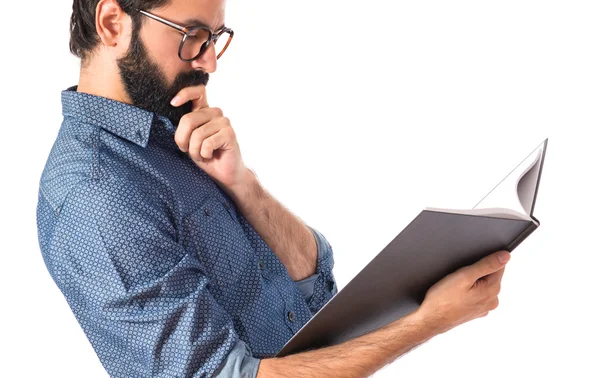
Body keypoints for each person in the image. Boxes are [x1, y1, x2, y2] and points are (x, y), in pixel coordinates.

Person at [35, 0, 511, 377]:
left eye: (216, 39)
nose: (209, 63)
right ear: (113, 23)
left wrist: (243, 185)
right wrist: (428, 322)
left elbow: (314, 289)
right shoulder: (96, 195)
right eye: (193, 36)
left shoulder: (175, 130)